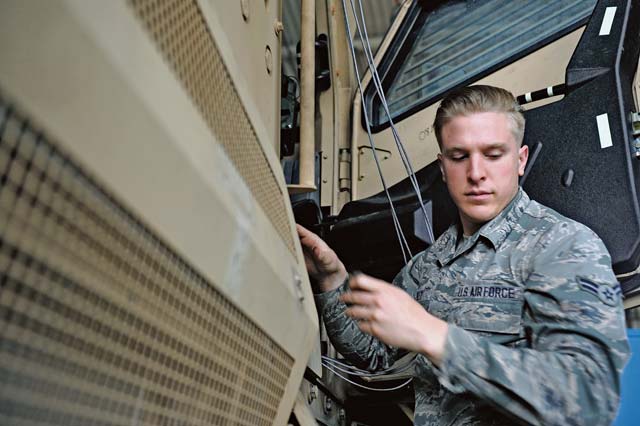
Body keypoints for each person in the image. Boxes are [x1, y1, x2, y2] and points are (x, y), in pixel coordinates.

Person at [297, 85, 630, 425]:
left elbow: (588, 400)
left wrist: (434, 335)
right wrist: (331, 278)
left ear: (520, 160)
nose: (475, 174)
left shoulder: (562, 247)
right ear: (442, 167)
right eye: (459, 157)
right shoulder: (431, 264)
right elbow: (373, 353)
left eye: (493, 154)